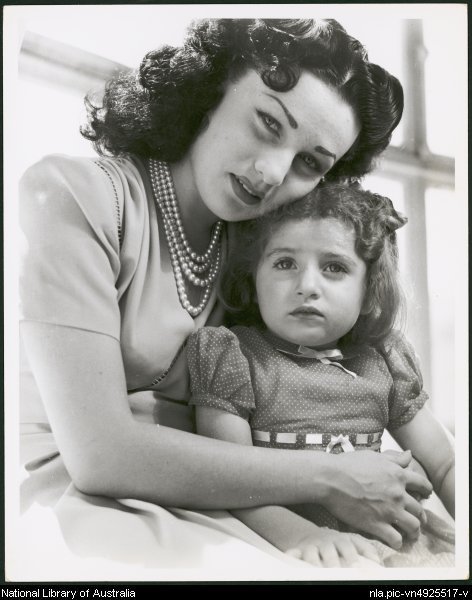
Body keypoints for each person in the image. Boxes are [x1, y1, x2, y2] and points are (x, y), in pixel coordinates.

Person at [19, 18, 431, 577]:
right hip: (79, 498)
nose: (272, 172)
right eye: (268, 122)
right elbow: (99, 455)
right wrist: (334, 477)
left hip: (233, 498)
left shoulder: (259, 251)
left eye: (310, 162)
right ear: (210, 89)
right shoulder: (74, 194)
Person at [187, 182, 455, 568]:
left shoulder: (384, 361)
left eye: (334, 267)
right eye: (285, 264)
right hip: (286, 540)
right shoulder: (234, 356)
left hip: (393, 543)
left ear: (368, 292)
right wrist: (302, 536)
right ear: (254, 280)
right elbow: (229, 480)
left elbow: (445, 465)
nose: (307, 286)